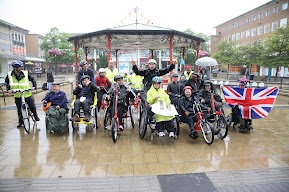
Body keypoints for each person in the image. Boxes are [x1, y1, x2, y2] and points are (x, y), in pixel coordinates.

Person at [5, 60, 40, 127]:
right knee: (19, 109)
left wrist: (34, 86)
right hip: (17, 94)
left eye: (21, 67)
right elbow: (7, 82)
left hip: (27, 93)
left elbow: (32, 79)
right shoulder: (10, 75)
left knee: (32, 106)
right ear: (15, 68)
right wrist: (8, 89)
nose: (21, 68)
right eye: (19, 67)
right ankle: (20, 121)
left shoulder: (25, 73)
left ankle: (35, 116)